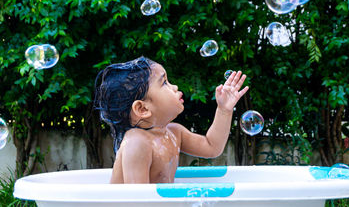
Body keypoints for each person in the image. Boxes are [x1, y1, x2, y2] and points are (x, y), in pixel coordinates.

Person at [94, 56, 249, 184]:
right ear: (142, 109)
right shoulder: (137, 142)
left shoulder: (175, 132)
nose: (174, 87)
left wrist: (224, 110)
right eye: (164, 83)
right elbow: (137, 201)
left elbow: (212, 147)